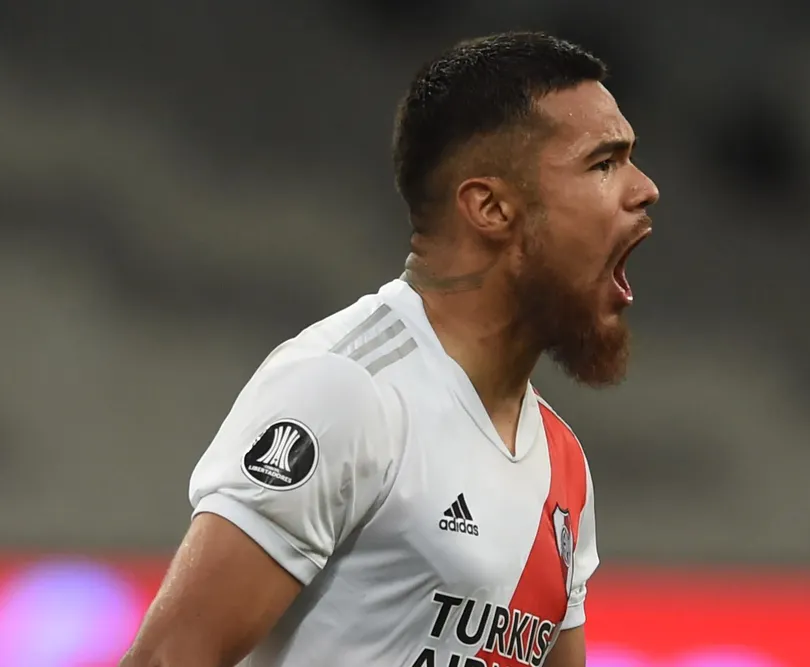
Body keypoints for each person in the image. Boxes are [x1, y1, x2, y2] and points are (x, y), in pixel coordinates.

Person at [120, 30, 659, 667]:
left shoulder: (563, 465)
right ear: (490, 207)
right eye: (603, 163)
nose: (644, 188)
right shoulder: (347, 390)